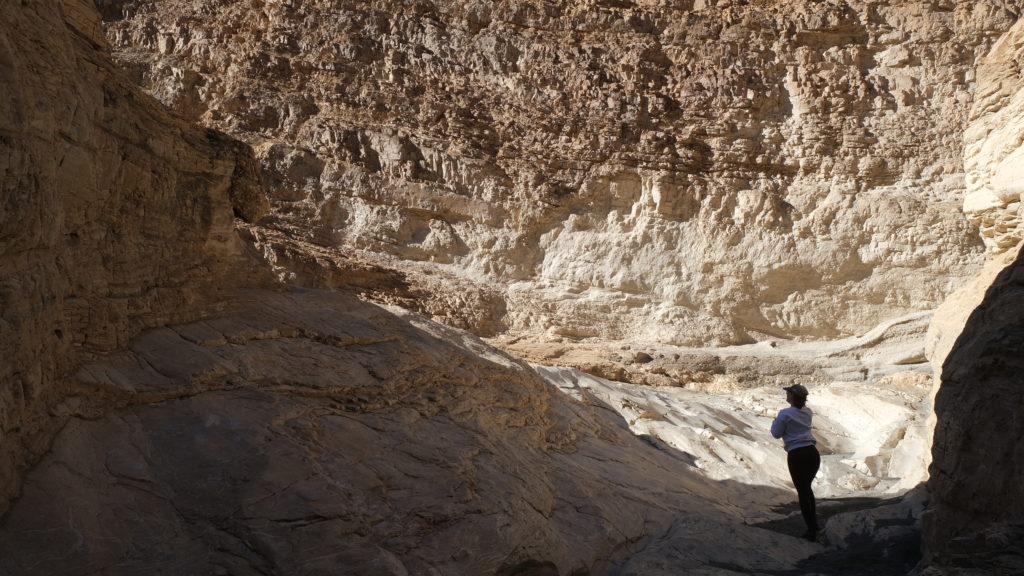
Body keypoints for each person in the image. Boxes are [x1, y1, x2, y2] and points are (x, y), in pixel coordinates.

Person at [770, 383, 821, 542]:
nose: (786, 395)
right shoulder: (808, 412)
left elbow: (776, 434)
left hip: (797, 454)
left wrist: (774, 421)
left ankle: (811, 531)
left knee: (802, 491)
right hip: (812, 453)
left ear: (793, 396)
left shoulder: (785, 414)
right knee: (807, 489)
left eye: (789, 393)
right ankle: (814, 525)